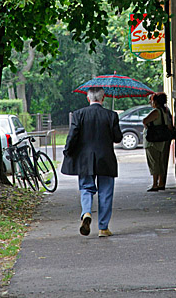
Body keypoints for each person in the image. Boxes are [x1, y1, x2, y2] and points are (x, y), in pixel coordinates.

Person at [61, 86, 123, 237]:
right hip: (106, 159)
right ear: (103, 98)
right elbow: (118, 138)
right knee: (105, 192)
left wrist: (67, 151)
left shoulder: (79, 114)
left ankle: (86, 212)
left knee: (86, 188)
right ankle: (103, 228)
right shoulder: (111, 115)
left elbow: (72, 136)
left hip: (85, 160)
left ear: (88, 98)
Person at [143, 92, 173, 192]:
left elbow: (145, 121)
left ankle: (155, 184)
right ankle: (161, 183)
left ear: (155, 101)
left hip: (153, 140)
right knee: (161, 161)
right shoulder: (166, 111)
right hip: (162, 140)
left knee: (153, 162)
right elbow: (169, 126)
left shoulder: (156, 112)